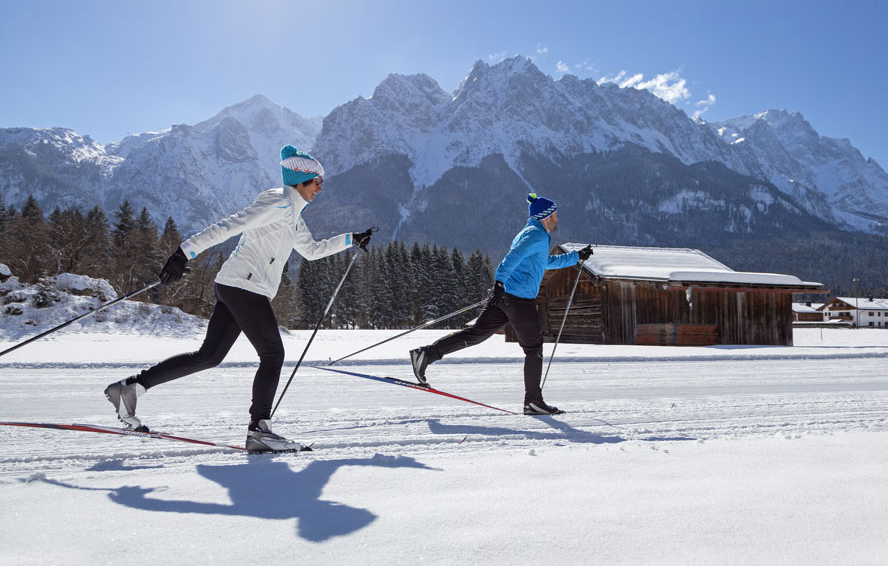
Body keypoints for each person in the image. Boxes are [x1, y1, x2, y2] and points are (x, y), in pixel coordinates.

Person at [104, 144, 374, 453]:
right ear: (300, 181)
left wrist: (351, 239)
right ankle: (260, 429)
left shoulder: (294, 217)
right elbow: (229, 226)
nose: (320, 188)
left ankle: (131, 388)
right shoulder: (278, 203)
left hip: (236, 286)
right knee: (273, 354)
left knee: (208, 356)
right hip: (245, 287)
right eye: (316, 182)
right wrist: (184, 252)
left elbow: (311, 252)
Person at [409, 193, 592, 415]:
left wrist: (576, 257)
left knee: (475, 334)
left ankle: (426, 354)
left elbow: (543, 262)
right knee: (533, 348)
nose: (557, 219)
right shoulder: (536, 235)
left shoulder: (532, 233)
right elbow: (511, 258)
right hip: (519, 300)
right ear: (545, 216)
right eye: (554, 215)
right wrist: (499, 280)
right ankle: (533, 401)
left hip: (505, 297)